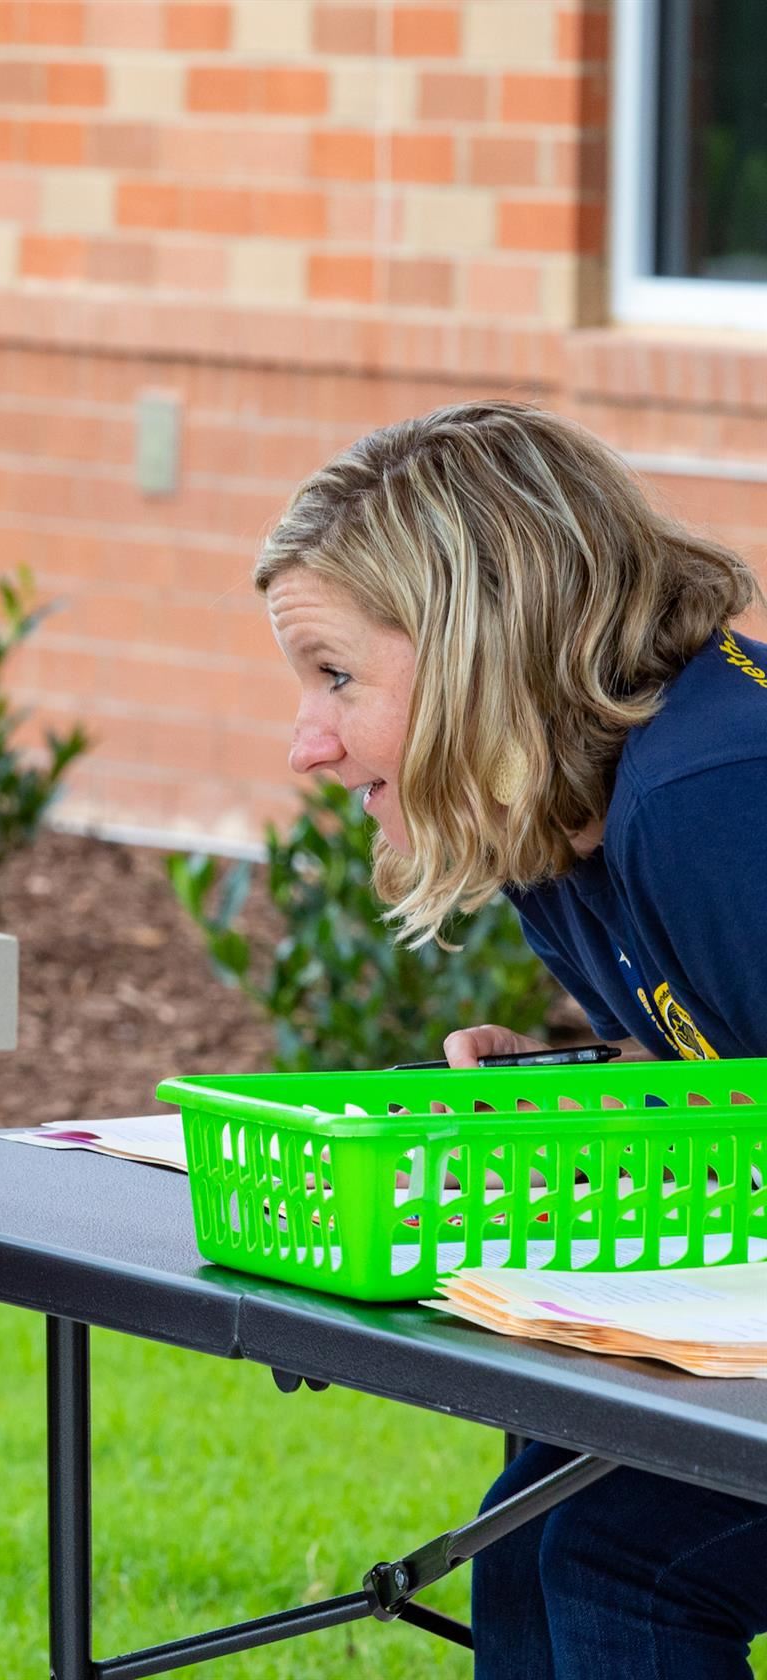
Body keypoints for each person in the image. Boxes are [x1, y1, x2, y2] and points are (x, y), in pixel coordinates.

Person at [255, 400, 767, 1678]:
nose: (309, 743)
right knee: (531, 1525)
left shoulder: (709, 796)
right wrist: (596, 1100)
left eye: (337, 676)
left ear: (479, 643)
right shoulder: (554, 832)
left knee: (620, 1556)